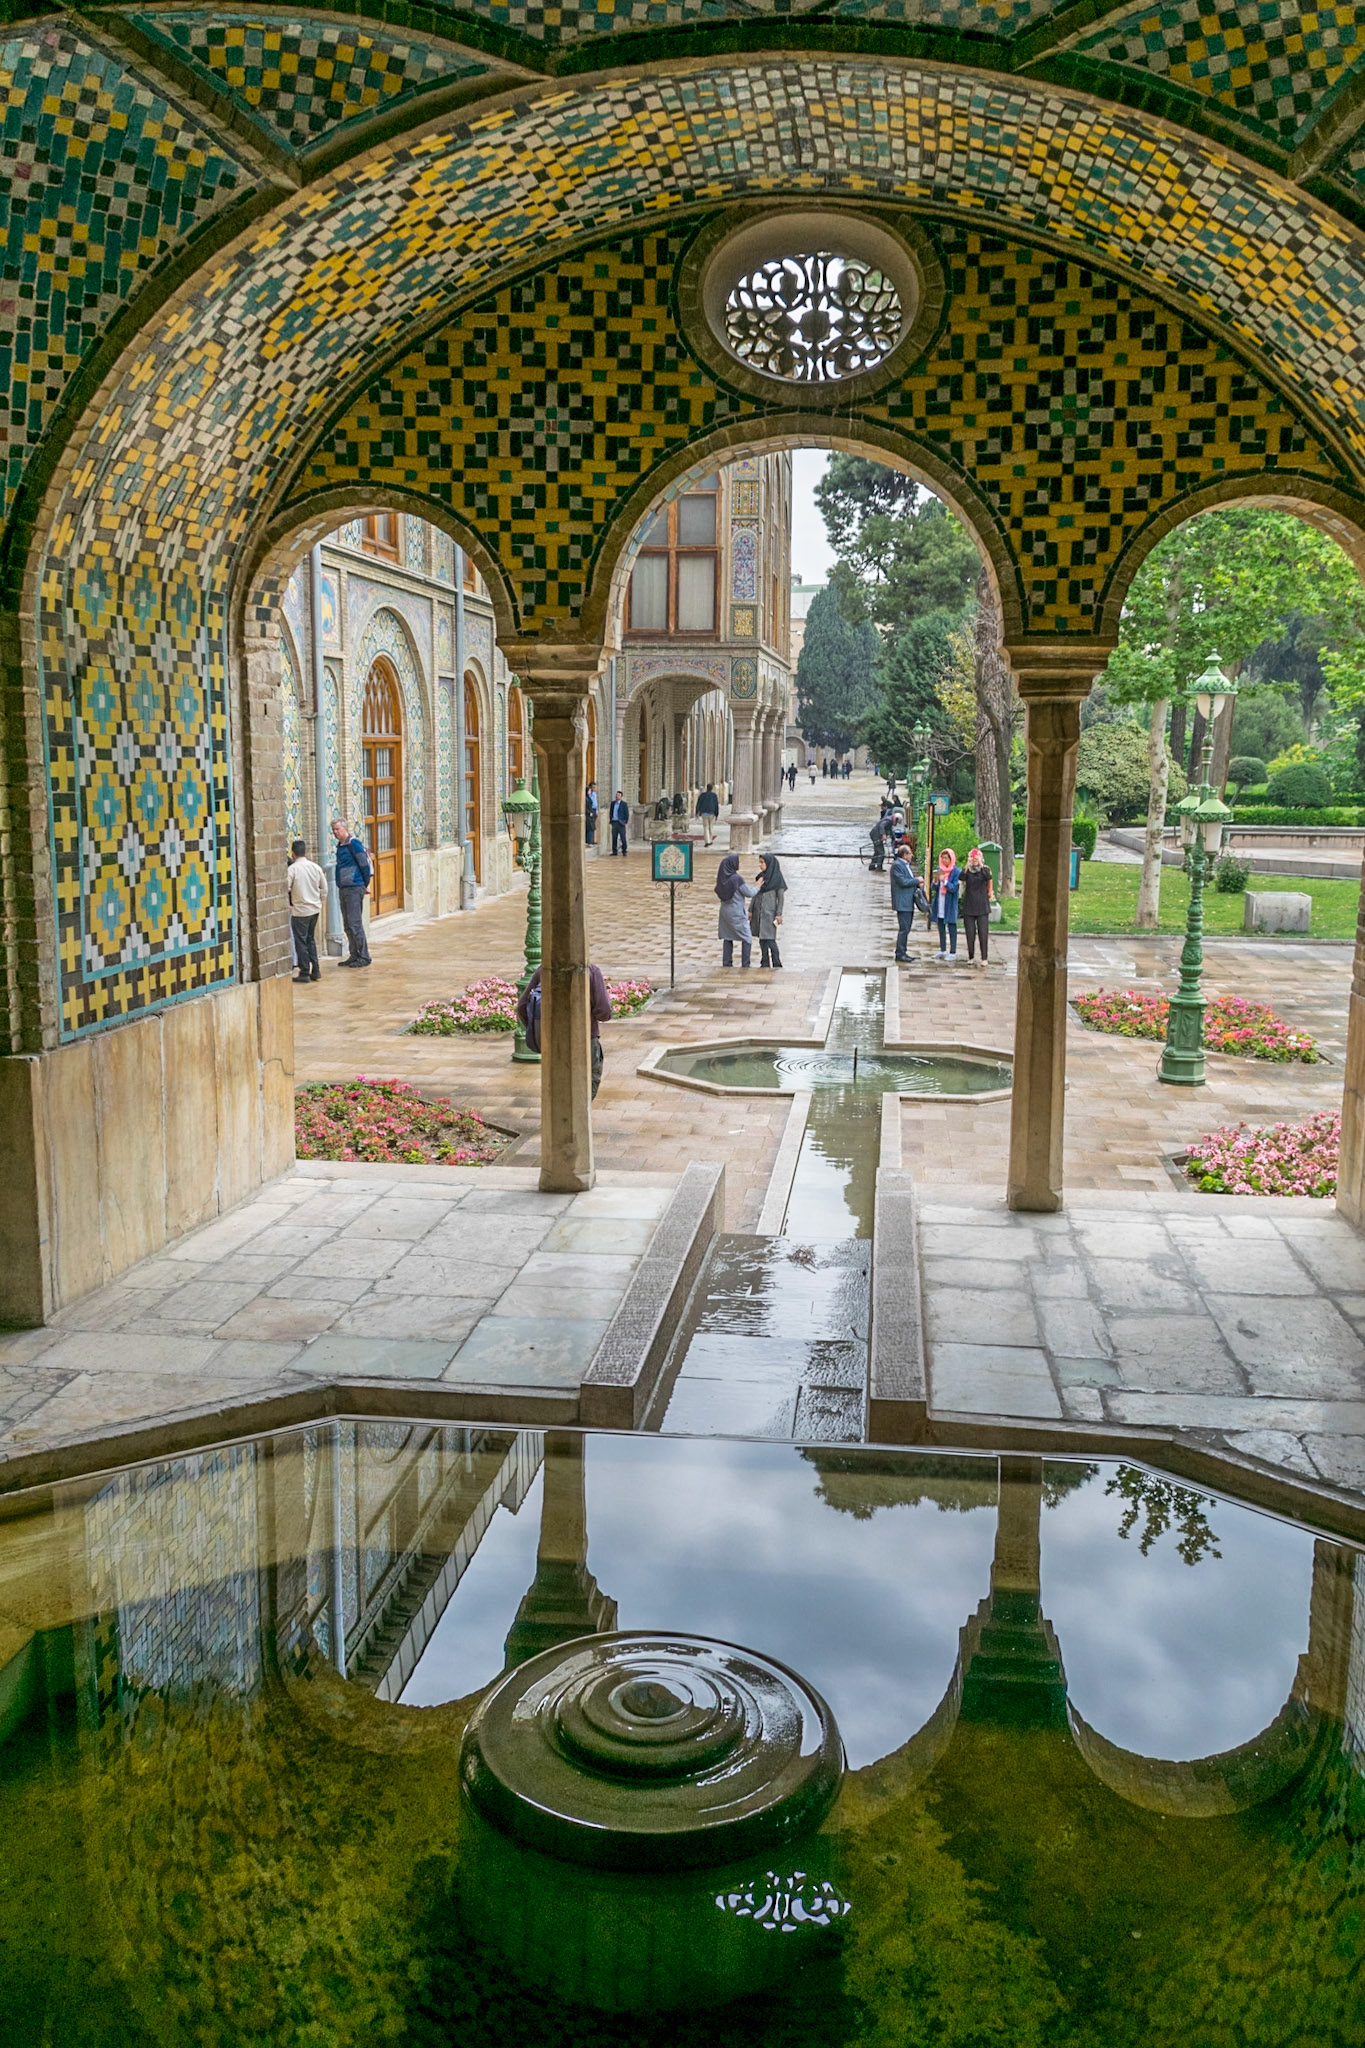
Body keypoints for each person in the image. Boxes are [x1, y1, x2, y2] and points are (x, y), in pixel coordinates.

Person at [516, 963, 613, 1097]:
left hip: (553, 1042)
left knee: (559, 1091)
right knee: (586, 1091)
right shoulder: (591, 971)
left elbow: (522, 1006)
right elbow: (604, 1012)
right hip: (586, 1040)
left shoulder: (544, 970)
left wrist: (540, 1031)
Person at [330, 817, 372, 966]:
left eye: (337, 829)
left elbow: (365, 864)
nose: (335, 832)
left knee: (355, 923)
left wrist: (364, 884)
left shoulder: (353, 844)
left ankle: (364, 956)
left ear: (345, 829)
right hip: (344, 888)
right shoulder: (340, 846)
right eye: (333, 830)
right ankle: (354, 954)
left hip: (355, 888)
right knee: (347, 924)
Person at [287, 838, 325, 984]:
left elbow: (286, 887)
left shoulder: (293, 869)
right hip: (314, 910)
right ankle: (316, 970)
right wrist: (319, 901)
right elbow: (324, 888)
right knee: (310, 939)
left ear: (293, 853)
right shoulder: (315, 867)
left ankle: (304, 972)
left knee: (301, 942)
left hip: (300, 911)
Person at [714, 851, 755, 968]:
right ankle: (745, 964)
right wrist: (758, 886)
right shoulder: (736, 879)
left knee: (727, 936)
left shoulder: (721, 879)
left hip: (724, 912)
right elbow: (749, 893)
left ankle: (727, 963)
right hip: (736, 912)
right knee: (747, 937)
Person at [749, 852, 786, 969]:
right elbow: (755, 894)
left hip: (770, 914)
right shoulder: (761, 877)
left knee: (770, 939)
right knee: (762, 939)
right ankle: (764, 961)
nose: (760, 865)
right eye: (760, 862)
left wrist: (779, 914)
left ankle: (776, 962)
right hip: (759, 912)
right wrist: (750, 910)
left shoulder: (777, 879)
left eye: (762, 862)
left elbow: (780, 898)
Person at [889, 843, 923, 962]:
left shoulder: (905, 865)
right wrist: (916, 880)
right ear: (904, 855)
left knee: (907, 928)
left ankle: (903, 951)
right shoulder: (897, 865)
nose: (911, 855)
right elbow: (903, 882)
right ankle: (900, 953)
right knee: (904, 928)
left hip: (908, 902)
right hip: (903, 902)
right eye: (910, 853)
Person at [961, 847, 995, 964]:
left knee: (983, 933)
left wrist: (980, 864)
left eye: (976, 857)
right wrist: (968, 864)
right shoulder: (967, 870)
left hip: (982, 905)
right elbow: (961, 877)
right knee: (970, 933)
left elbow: (988, 877)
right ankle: (971, 957)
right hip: (969, 905)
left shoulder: (985, 870)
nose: (974, 860)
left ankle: (984, 958)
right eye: (973, 857)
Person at [932, 845, 962, 961]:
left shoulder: (956, 872)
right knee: (940, 926)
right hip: (940, 901)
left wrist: (944, 881)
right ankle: (943, 950)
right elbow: (933, 888)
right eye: (942, 858)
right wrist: (935, 881)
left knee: (951, 926)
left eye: (946, 858)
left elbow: (954, 888)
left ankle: (953, 951)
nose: (944, 860)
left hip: (949, 902)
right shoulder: (939, 869)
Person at [609, 789, 630, 855]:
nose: (617, 796)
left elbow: (626, 813)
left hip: (621, 823)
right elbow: (611, 812)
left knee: (623, 837)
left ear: (621, 796)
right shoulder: (612, 803)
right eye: (616, 795)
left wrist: (625, 821)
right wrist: (611, 820)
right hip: (614, 822)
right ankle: (614, 851)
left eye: (619, 795)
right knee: (614, 837)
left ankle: (624, 850)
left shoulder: (624, 804)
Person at [585, 781, 599, 847]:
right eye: (593, 787)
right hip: (590, 811)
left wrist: (596, 811)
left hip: (594, 810)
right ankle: (589, 841)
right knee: (590, 826)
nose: (594, 789)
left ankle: (592, 840)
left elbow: (596, 803)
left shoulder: (594, 794)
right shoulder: (588, 796)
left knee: (593, 826)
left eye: (595, 787)